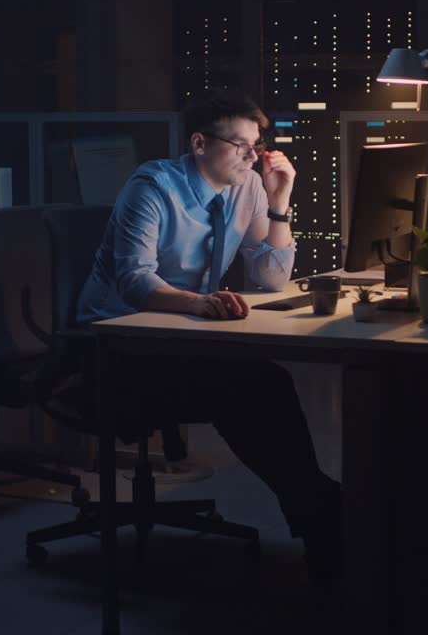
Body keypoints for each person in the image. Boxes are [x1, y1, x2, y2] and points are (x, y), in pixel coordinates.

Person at [77, 87, 341, 582]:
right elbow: (135, 282)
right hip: (113, 343)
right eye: (240, 144)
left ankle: (320, 512)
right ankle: (323, 513)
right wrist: (201, 302)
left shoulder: (248, 187)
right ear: (200, 143)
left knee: (268, 380)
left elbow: (270, 279)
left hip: (179, 338)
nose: (253, 155)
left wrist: (280, 202)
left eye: (257, 144)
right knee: (244, 386)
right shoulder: (152, 186)